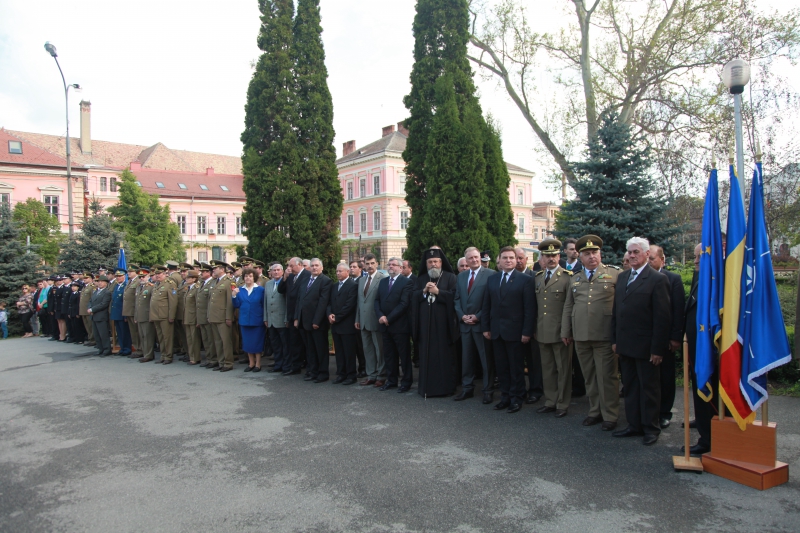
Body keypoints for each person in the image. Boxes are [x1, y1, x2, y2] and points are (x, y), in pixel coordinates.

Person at [611, 236, 671, 446]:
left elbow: (662, 318)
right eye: (629, 252)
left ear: (647, 254)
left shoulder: (657, 279)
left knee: (649, 390)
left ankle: (650, 428)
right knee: (631, 388)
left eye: (636, 252)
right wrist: (615, 339)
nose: (632, 255)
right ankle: (634, 425)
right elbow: (617, 312)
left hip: (646, 347)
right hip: (626, 344)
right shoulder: (623, 277)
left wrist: (657, 349)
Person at [561, 235, 622, 431]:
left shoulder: (614, 275)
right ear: (580, 257)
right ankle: (594, 411)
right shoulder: (576, 278)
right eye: (587, 254)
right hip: (581, 335)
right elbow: (568, 307)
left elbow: (621, 307)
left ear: (600, 253)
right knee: (589, 376)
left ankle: (610, 415)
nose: (592, 257)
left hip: (604, 335)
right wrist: (566, 331)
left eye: (595, 252)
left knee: (607, 377)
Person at [482, 246, 536, 412]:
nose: (509, 261)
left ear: (517, 260)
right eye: (505, 258)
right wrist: (486, 327)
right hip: (497, 331)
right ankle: (505, 397)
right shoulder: (492, 279)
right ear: (499, 261)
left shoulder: (525, 280)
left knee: (516, 368)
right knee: (502, 367)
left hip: (516, 332)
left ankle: (517, 398)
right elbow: (486, 305)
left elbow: (530, 309)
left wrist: (527, 332)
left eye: (512, 258)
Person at [534, 239, 574, 418]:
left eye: (554, 255)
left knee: (563, 370)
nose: (551, 259)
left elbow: (569, 307)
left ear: (559, 256)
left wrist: (567, 331)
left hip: (560, 332)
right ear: (542, 258)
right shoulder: (538, 277)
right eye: (547, 256)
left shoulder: (568, 277)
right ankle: (550, 401)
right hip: (542, 331)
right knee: (548, 369)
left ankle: (562, 404)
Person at [413, 248, 459, 398]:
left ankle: (446, 388)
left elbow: (455, 298)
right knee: (427, 356)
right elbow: (412, 298)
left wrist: (439, 293)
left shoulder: (451, 277)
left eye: (436, 261)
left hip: (444, 326)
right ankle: (427, 388)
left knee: (444, 356)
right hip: (426, 326)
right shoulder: (421, 279)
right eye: (430, 262)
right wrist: (424, 291)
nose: (433, 264)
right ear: (426, 264)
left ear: (441, 262)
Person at [649, 245, 685, 429]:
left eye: (652, 258)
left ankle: (664, 413)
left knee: (666, 377)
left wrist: (675, 337)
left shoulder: (673, 279)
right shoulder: (639, 278)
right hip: (646, 338)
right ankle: (649, 412)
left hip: (665, 339)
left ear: (662, 260)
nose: (649, 262)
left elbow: (678, 310)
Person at [454, 247, 495, 403]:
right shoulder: (461, 276)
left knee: (486, 360)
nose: (474, 260)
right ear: (466, 260)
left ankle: (488, 390)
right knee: (467, 359)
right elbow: (456, 299)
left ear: (480, 258)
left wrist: (477, 316)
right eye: (470, 258)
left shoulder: (491, 275)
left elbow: (491, 301)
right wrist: (462, 316)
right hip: (465, 325)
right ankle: (467, 388)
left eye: (476, 257)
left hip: (481, 325)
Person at [684, 243, 714, 455]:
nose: (695, 261)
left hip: (711, 351)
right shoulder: (700, 278)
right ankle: (704, 425)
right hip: (696, 348)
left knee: (710, 393)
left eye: (698, 257)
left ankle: (709, 440)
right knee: (699, 391)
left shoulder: (717, 282)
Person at [374, 257, 413, 392]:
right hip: (385, 326)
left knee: (404, 355)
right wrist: (380, 316)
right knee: (389, 355)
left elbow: (404, 304)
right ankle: (391, 381)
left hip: (400, 326)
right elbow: (377, 301)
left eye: (394, 265)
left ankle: (406, 382)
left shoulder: (406, 282)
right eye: (389, 264)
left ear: (401, 268)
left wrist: (388, 318)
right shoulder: (383, 282)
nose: (390, 266)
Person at [295, 258, 333, 383]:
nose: (314, 268)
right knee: (310, 349)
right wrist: (297, 317)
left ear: (321, 268)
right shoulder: (305, 280)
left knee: (320, 349)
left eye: (317, 265)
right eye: (312, 266)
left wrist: (316, 321)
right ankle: (313, 371)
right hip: (305, 321)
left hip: (318, 322)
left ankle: (323, 373)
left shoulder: (326, 281)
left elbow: (323, 303)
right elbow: (300, 300)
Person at [355, 254, 387, 386]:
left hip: (376, 320)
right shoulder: (362, 280)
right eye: (367, 264)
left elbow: (384, 301)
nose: (369, 266)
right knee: (367, 349)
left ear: (377, 264)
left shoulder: (382, 279)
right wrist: (357, 318)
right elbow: (359, 301)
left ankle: (381, 375)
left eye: (372, 263)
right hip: (363, 321)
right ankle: (371, 375)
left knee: (379, 350)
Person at [328, 263, 359, 385]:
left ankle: (351, 375)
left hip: (346, 324)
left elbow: (350, 305)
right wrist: (329, 314)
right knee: (339, 351)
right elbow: (329, 302)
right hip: (335, 324)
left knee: (349, 351)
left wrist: (337, 317)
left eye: (340, 271)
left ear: (347, 272)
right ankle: (341, 373)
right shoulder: (334, 286)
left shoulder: (353, 285)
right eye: (337, 271)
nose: (338, 273)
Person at [278, 257, 310, 376]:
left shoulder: (307, 275)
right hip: (291, 315)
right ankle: (295, 366)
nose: (289, 268)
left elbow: (302, 298)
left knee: (306, 343)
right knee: (294, 343)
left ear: (300, 265)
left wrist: (297, 316)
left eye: (291, 266)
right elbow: (281, 290)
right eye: (289, 266)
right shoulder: (290, 276)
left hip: (302, 315)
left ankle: (309, 367)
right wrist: (284, 278)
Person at [232, 267, 266, 372]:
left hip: (257, 321)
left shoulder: (260, 290)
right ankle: (251, 363)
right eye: (246, 276)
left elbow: (264, 305)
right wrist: (233, 296)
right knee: (247, 343)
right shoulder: (240, 290)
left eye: (250, 276)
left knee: (257, 343)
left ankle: (258, 364)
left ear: (254, 277)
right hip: (244, 320)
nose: (248, 278)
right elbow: (237, 305)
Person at [208, 261, 236, 372]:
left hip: (223, 316)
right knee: (217, 341)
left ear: (222, 269)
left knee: (225, 341)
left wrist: (229, 317)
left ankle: (228, 363)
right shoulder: (214, 282)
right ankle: (221, 362)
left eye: (215, 268)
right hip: (214, 316)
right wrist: (209, 315)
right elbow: (210, 301)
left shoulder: (229, 282)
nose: (213, 270)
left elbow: (230, 301)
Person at [264, 263, 288, 373]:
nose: (276, 272)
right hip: (271, 320)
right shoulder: (268, 284)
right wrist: (265, 317)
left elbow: (288, 303)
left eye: (278, 270)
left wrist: (287, 318)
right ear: (271, 272)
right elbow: (265, 302)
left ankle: (285, 366)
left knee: (285, 344)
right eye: (274, 270)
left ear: (282, 271)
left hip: (282, 319)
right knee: (275, 344)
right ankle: (277, 365)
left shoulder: (285, 283)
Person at [149, 268, 177, 364]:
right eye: (156, 274)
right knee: (160, 337)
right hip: (156, 315)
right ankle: (163, 355)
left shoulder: (170, 284)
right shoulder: (156, 284)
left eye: (159, 274)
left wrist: (171, 316)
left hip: (165, 315)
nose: (157, 276)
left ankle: (168, 356)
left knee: (167, 337)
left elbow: (173, 302)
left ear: (165, 274)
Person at [196, 263, 219, 368]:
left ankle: (213, 359)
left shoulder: (212, 283)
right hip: (201, 316)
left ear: (209, 273)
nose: (201, 273)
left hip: (208, 315)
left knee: (211, 339)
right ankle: (209, 358)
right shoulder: (202, 283)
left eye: (204, 271)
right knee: (205, 339)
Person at [349, 259, 367, 377]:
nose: (352, 268)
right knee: (353, 345)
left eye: (354, 267)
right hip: (349, 317)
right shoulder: (349, 281)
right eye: (350, 266)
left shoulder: (363, 281)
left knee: (361, 345)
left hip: (359, 316)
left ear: (360, 269)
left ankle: (363, 368)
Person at [88, 275, 113, 356]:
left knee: (103, 334)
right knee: (96, 334)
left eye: (102, 282)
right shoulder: (96, 291)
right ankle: (100, 348)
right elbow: (90, 301)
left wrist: (92, 309)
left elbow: (104, 304)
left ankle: (106, 349)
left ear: (106, 283)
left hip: (101, 316)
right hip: (94, 316)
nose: (100, 283)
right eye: (99, 281)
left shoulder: (107, 292)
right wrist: (89, 308)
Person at [182, 270, 202, 365]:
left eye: (188, 278)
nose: (186, 279)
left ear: (194, 279)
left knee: (194, 339)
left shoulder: (197, 288)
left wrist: (198, 318)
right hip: (187, 316)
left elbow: (197, 305)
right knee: (189, 338)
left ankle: (195, 357)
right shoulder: (189, 288)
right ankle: (191, 356)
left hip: (193, 316)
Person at [110, 270, 131, 356]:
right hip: (116, 313)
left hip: (122, 313)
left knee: (125, 332)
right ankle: (122, 348)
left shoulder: (125, 286)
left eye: (120, 276)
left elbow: (126, 301)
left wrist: (125, 315)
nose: (118, 278)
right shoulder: (116, 286)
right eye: (117, 276)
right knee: (119, 332)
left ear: (124, 276)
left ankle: (127, 348)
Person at [123, 266, 141, 357]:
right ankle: (136, 348)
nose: (128, 273)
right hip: (129, 311)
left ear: (136, 272)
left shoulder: (138, 281)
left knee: (136, 331)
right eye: (128, 272)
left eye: (131, 271)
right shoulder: (130, 281)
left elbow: (137, 298)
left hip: (134, 310)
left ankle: (139, 349)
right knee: (133, 331)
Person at [79, 274, 96, 346]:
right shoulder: (84, 287)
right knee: (86, 325)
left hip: (88, 309)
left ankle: (93, 339)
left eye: (86, 278)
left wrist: (91, 308)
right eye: (84, 278)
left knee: (90, 325)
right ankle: (90, 338)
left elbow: (93, 299)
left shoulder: (92, 287)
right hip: (83, 310)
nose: (84, 279)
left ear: (91, 279)